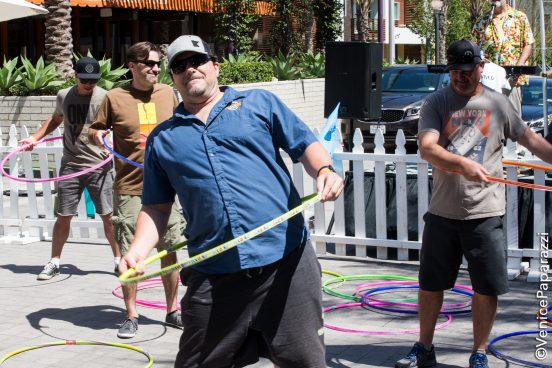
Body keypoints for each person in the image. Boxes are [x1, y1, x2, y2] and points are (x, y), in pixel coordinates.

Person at [119, 35, 344, 367]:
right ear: (173, 79)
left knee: (305, 362)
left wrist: (324, 169)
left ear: (215, 67)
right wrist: (137, 251)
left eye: (197, 60)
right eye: (180, 65)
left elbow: (304, 144)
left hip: (285, 265)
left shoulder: (259, 104)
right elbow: (155, 206)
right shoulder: (163, 139)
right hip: (214, 273)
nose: (190, 69)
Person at [395, 39, 552, 368]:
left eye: (467, 71)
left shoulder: (498, 104)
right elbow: (427, 148)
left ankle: (478, 352)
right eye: (454, 71)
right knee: (430, 284)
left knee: (486, 287)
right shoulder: (436, 103)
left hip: (486, 213)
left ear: (481, 67)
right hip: (443, 211)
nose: (461, 77)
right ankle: (424, 347)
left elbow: (533, 140)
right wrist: (462, 164)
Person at [88, 42, 185, 339]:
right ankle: (131, 314)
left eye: (158, 64)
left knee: (170, 250)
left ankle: (172, 310)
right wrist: (98, 136)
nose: (155, 69)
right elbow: (95, 130)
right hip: (130, 187)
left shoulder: (168, 93)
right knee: (131, 255)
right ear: (132, 65)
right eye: (149, 64)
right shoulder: (114, 97)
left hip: (167, 187)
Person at [19, 57, 121, 281]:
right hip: (71, 164)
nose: (88, 84)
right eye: (84, 80)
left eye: (93, 80)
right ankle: (54, 261)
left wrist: (112, 145)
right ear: (75, 75)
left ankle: (118, 261)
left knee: (108, 216)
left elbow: (118, 124)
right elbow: (56, 119)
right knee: (63, 216)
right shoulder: (64, 95)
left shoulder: (105, 97)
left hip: (99, 165)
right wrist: (34, 138)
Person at [472, 0, 534, 113]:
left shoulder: (520, 17)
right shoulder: (483, 20)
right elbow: (474, 47)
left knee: (512, 122)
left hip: (512, 80)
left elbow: (528, 44)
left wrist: (518, 69)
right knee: (489, 121)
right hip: (488, 81)